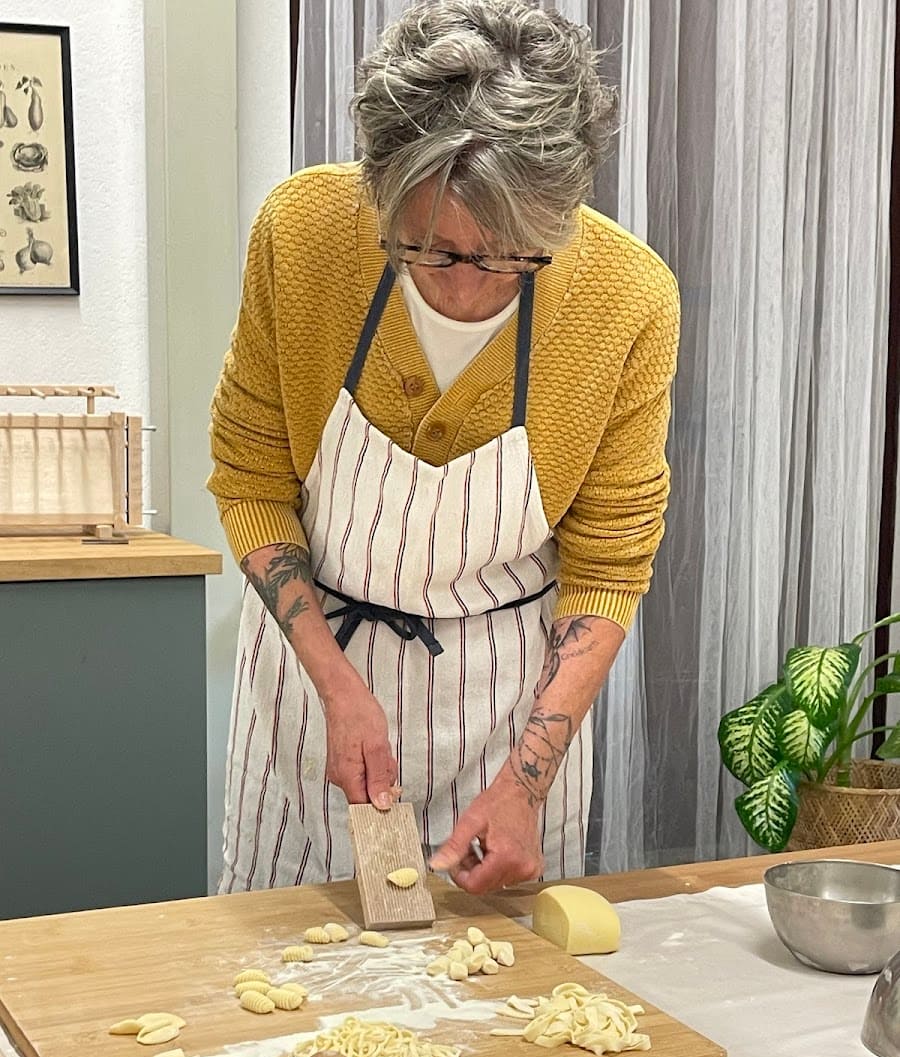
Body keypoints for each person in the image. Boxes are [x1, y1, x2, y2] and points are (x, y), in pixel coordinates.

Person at [208, 0, 679, 896]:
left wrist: (525, 780)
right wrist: (337, 685)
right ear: (378, 194)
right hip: (311, 680)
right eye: (424, 249)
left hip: (505, 702)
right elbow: (251, 476)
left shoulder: (628, 298)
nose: (464, 291)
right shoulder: (304, 234)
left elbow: (610, 563)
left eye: (506, 259)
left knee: (500, 1001)